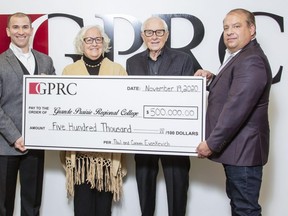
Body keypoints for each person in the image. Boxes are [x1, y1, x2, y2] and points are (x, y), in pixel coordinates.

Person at [195, 8, 272, 216]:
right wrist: (212, 79)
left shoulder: (251, 60)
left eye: (237, 26)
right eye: (226, 27)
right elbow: (234, 91)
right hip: (239, 152)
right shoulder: (240, 56)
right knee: (240, 207)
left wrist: (211, 144)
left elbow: (235, 110)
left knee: (245, 210)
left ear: (252, 29)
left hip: (244, 153)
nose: (229, 32)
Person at [126, 16, 195, 216]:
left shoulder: (184, 60)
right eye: (149, 32)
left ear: (167, 35)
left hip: (175, 138)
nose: (154, 37)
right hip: (143, 136)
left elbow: (189, 99)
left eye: (159, 32)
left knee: (178, 189)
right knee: (145, 189)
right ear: (142, 36)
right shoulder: (132, 62)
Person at [60, 25, 127, 216]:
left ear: (104, 43)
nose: (94, 43)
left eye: (98, 39)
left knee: (104, 209)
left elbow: (128, 106)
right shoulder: (69, 70)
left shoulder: (117, 70)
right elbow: (62, 109)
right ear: (81, 44)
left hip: (108, 152)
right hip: (80, 152)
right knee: (82, 207)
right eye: (89, 40)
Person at [0, 12, 55, 216]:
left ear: (31, 30)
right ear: (8, 31)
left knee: (32, 204)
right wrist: (15, 137)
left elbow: (55, 100)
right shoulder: (0, 62)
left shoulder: (46, 61)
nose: (21, 32)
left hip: (36, 144)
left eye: (25, 27)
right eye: (16, 27)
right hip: (6, 146)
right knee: (3, 206)